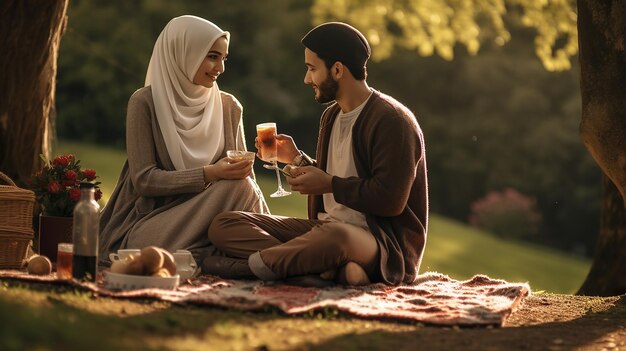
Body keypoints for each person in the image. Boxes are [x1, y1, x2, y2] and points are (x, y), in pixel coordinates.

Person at [204, 22, 428, 286]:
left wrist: (329, 184)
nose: (307, 79)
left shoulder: (392, 120)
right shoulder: (332, 116)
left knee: (336, 238)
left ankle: (251, 268)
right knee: (225, 225)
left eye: (312, 69)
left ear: (337, 70)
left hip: (379, 242)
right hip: (324, 230)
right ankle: (324, 269)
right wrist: (296, 159)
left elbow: (390, 200)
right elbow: (336, 177)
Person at [99, 15, 269, 266]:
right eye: (212, 56)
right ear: (183, 53)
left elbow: (245, 181)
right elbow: (145, 179)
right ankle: (266, 256)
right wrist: (209, 173)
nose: (220, 68)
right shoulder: (144, 102)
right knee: (237, 201)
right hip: (150, 225)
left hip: (210, 221)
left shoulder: (229, 106)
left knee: (241, 186)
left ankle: (269, 254)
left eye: (223, 58)